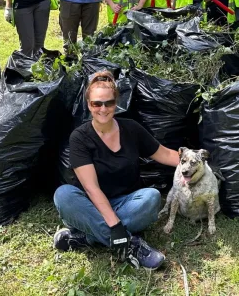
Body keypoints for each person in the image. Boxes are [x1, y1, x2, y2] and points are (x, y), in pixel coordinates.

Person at [53, 71, 179, 270]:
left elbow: (165, 155)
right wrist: (116, 227)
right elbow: (91, 188)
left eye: (108, 103)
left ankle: (87, 237)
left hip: (125, 204)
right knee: (64, 195)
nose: (103, 109)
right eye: (97, 103)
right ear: (88, 105)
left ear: (116, 103)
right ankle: (131, 246)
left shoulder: (131, 129)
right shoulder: (80, 137)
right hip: (90, 204)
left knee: (152, 198)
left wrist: (199, 162)